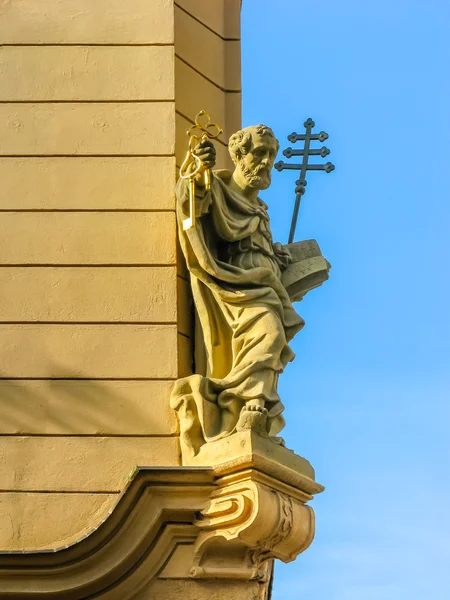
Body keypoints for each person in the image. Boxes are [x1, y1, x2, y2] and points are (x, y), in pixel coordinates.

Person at [171, 125, 305, 457]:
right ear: (239, 155)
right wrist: (197, 170)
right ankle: (249, 404)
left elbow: (259, 246)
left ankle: (251, 406)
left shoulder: (260, 208)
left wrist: (282, 258)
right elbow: (191, 206)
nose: (266, 162)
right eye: (259, 153)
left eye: (271, 155)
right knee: (270, 332)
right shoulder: (217, 187)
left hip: (267, 282)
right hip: (234, 280)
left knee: (270, 339)